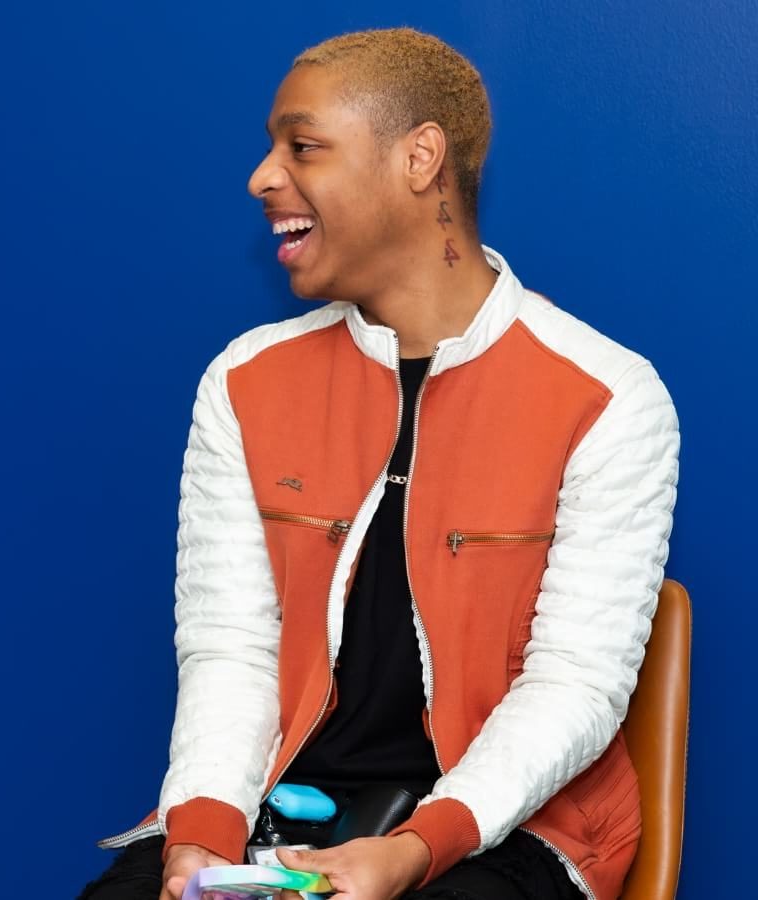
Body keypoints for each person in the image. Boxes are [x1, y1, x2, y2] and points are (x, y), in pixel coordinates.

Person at [79, 28, 678, 900]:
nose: (262, 176)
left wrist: (414, 848)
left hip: (499, 833)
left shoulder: (611, 396)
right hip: (277, 811)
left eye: (303, 146)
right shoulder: (245, 382)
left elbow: (575, 685)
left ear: (420, 158)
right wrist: (201, 840)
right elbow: (231, 648)